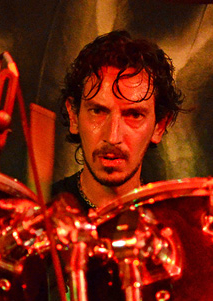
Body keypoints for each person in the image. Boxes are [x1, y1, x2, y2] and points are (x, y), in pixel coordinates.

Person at [51, 30, 184, 211]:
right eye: (98, 111)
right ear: (74, 116)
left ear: (159, 127)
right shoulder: (41, 215)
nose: (113, 137)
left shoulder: (169, 223)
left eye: (134, 115)